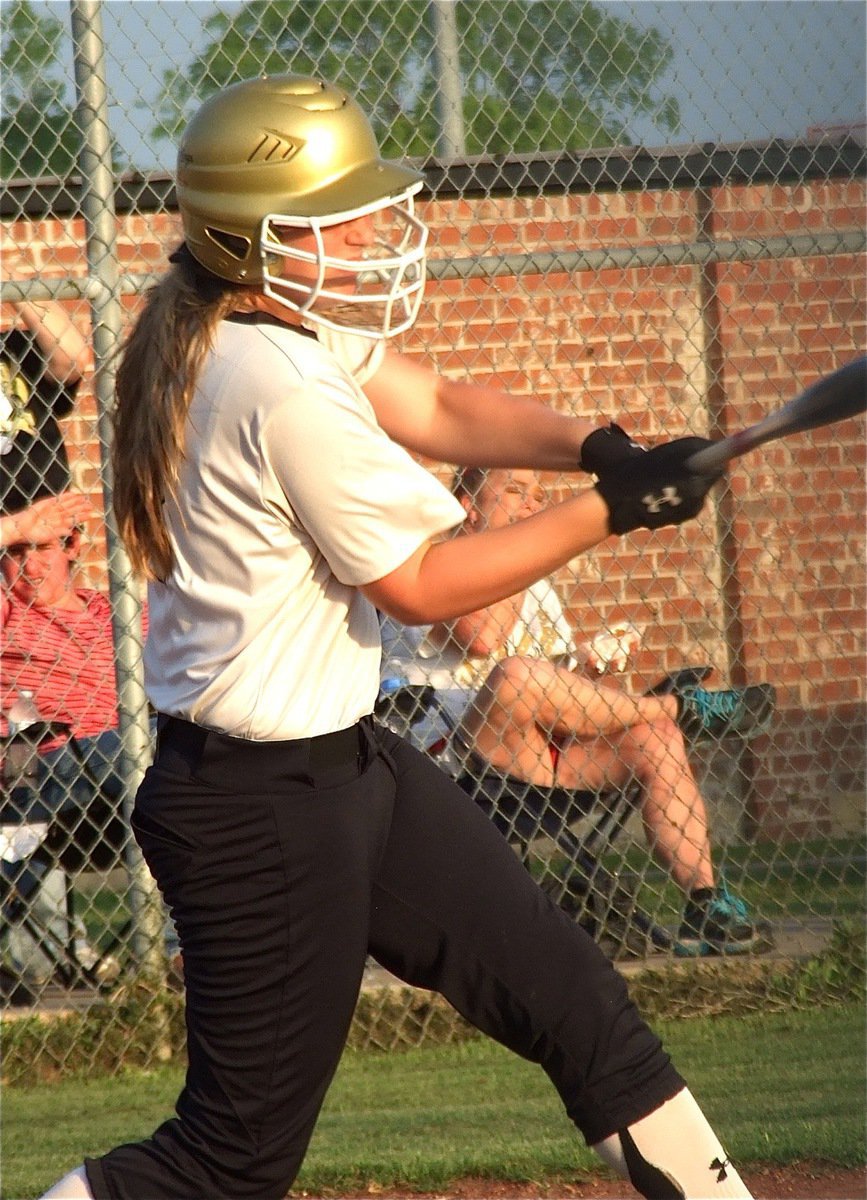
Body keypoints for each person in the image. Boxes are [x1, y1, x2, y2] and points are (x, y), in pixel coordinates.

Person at [42, 75, 755, 1200]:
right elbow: (426, 586)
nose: (375, 230)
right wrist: (612, 513)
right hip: (261, 811)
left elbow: (434, 404)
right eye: (341, 215)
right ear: (256, 237)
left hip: (350, 772)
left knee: (577, 1004)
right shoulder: (272, 382)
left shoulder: (248, 317)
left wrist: (603, 446)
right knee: (229, 1162)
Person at [383, 466, 775, 957]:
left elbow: (563, 694)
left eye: (536, 497)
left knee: (654, 735)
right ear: (467, 506)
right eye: (513, 491)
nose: (531, 505)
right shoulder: (430, 571)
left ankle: (705, 901)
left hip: (542, 759)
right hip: (461, 769)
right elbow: (481, 638)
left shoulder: (536, 588)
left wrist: (590, 665)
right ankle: (679, 706)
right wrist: (519, 555)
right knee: (517, 676)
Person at [0, 522, 171, 987]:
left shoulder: (122, 611)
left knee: (186, 749)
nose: (29, 565)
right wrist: (21, 521)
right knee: (172, 744)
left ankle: (182, 950)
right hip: (39, 771)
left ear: (72, 545)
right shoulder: (8, 615)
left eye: (41, 547)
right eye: (16, 550)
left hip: (127, 788)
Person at [0, 300, 90, 514]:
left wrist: (10, 280)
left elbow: (71, 357)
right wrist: (13, 530)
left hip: (51, 533)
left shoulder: (12, 348)